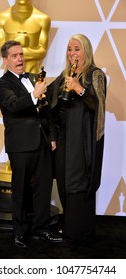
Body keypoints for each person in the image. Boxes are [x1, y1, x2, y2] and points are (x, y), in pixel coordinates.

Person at [0, 40, 62, 248]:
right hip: (20, 145)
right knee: (21, 190)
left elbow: (46, 110)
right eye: (14, 56)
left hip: (41, 142)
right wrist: (34, 94)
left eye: (21, 55)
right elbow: (14, 106)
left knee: (43, 188)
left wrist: (51, 136)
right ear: (5, 60)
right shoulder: (2, 84)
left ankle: (42, 229)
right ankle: (20, 232)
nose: (20, 59)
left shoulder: (33, 79)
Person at [47, 34, 107, 248]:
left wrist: (79, 90)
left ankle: (80, 234)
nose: (72, 54)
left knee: (79, 185)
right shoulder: (64, 76)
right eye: (70, 49)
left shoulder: (95, 75)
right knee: (64, 183)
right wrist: (53, 137)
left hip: (83, 142)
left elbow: (98, 106)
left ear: (86, 51)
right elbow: (50, 108)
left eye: (77, 49)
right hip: (64, 141)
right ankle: (70, 230)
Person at [0, 0, 51, 73]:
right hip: (10, 76)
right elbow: (1, 50)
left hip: (32, 74)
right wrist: (25, 50)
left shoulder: (43, 19)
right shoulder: (1, 18)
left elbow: (42, 51)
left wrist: (14, 51)